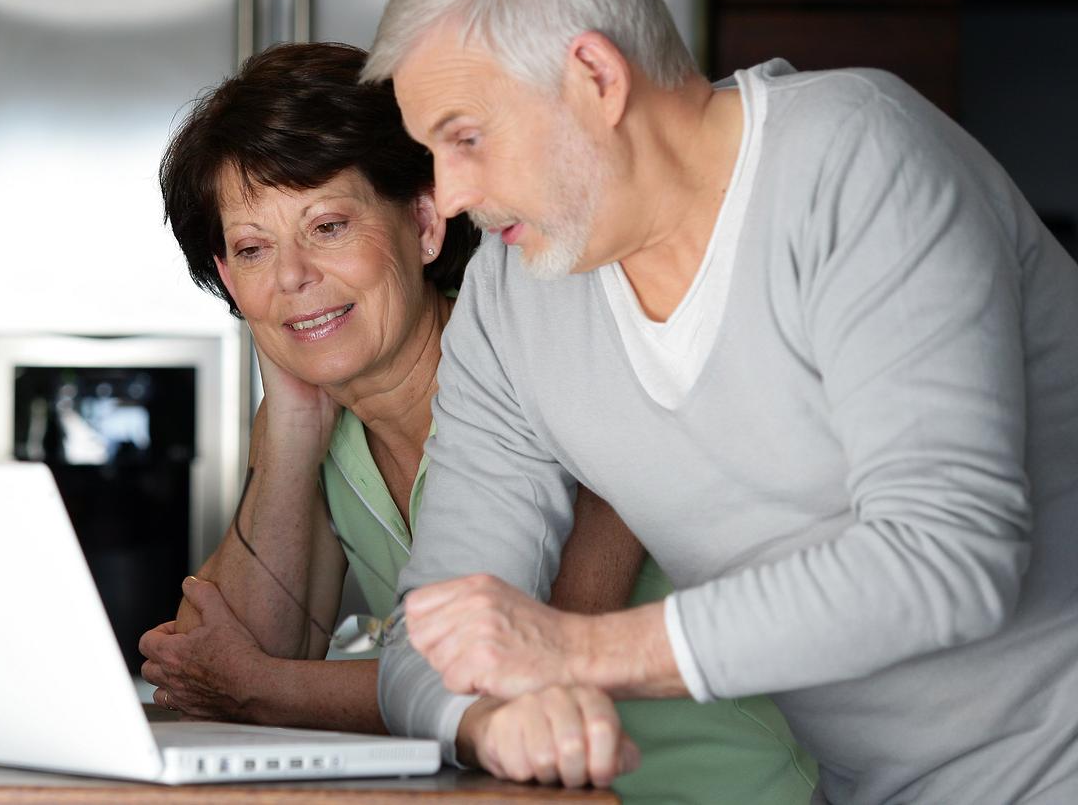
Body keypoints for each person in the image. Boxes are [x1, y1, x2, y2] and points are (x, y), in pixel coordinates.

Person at [359, 0, 1078, 802]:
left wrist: (582, 652)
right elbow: (432, 632)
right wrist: (488, 716)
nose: (450, 195)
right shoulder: (511, 303)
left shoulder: (857, 157)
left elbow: (949, 555)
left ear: (594, 76)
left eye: (466, 138)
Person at [140, 41, 817, 802]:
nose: (292, 277)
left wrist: (269, 688)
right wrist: (292, 429)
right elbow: (213, 674)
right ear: (230, 281)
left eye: (327, 225)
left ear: (425, 224)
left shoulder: (551, 361)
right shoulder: (325, 431)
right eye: (254, 249)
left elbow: (535, 666)